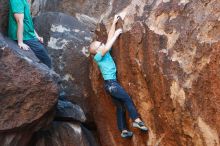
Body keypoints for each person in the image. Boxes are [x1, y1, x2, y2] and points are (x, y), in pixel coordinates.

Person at [89, 15, 148, 138]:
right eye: (100, 44)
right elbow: (108, 45)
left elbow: (108, 40)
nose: (103, 44)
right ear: (97, 50)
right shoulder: (98, 57)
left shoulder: (104, 53)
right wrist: (117, 34)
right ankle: (136, 120)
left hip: (109, 85)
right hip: (112, 85)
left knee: (120, 107)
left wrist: (114, 24)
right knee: (127, 99)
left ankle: (123, 130)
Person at [8, 0, 52, 68]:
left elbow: (28, 21)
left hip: (29, 35)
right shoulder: (17, 1)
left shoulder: (24, 1)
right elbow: (19, 21)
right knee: (46, 60)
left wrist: (36, 36)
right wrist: (20, 42)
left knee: (45, 55)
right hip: (24, 36)